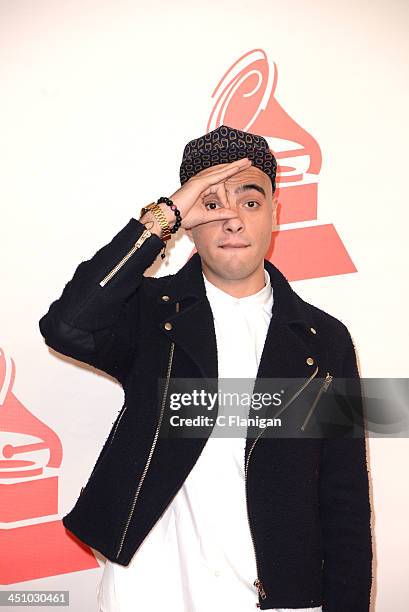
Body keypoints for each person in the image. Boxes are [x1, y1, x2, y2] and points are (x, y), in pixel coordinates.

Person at [39, 125, 373, 611]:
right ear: (190, 223)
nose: (233, 220)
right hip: (148, 588)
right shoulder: (151, 314)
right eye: (211, 205)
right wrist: (163, 217)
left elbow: (345, 496)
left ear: (275, 216)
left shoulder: (326, 340)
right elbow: (66, 326)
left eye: (251, 202)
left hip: (275, 594)